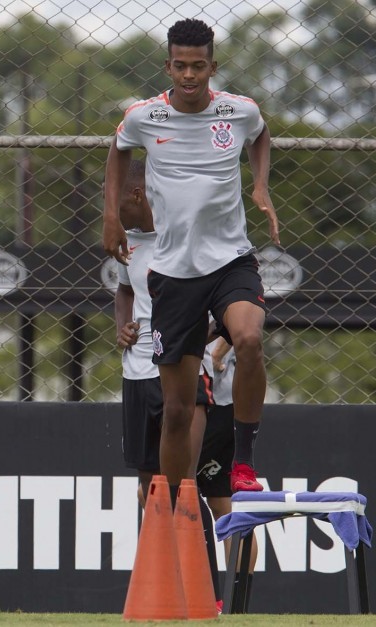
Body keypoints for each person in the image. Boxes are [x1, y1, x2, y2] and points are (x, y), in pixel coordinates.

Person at [103, 18, 280, 494]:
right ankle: (173, 516)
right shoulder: (145, 116)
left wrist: (260, 184)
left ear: (212, 67)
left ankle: (243, 462)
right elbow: (117, 151)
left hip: (230, 261)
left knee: (247, 338)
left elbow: (260, 135)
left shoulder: (237, 112)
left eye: (198, 66)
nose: (188, 75)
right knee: (178, 411)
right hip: (175, 272)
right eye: (180, 66)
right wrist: (110, 217)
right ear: (168, 65)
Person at [115, 158, 221, 611]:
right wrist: (121, 324)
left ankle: (207, 598)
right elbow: (124, 291)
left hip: (184, 373)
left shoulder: (189, 238)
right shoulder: (130, 245)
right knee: (151, 490)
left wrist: (194, 340)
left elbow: (228, 314)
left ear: (136, 196)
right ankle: (163, 593)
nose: (108, 211)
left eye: (112, 201)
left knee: (184, 485)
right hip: (137, 375)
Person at [198, 337, 259, 606]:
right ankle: (229, 605)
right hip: (188, 392)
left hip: (213, 398)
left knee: (159, 490)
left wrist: (216, 353)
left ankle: (219, 602)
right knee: (222, 505)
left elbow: (241, 314)